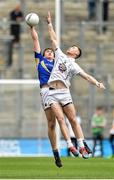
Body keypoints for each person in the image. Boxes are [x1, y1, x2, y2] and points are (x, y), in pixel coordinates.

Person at [46, 11, 105, 159]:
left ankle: (81, 145)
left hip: (64, 92)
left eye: (74, 48)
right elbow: (53, 38)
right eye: (72, 47)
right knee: (60, 119)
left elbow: (86, 76)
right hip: (52, 92)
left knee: (72, 119)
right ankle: (70, 145)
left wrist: (97, 83)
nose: (71, 48)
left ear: (76, 54)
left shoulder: (74, 65)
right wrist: (49, 24)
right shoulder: (59, 54)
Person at [29, 26, 82, 168]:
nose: (49, 52)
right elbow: (35, 39)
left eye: (51, 52)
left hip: (61, 91)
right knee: (51, 123)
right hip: (46, 91)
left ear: (54, 55)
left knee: (65, 119)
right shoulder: (39, 60)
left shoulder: (59, 62)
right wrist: (32, 26)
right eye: (47, 51)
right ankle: (56, 153)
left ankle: (77, 143)